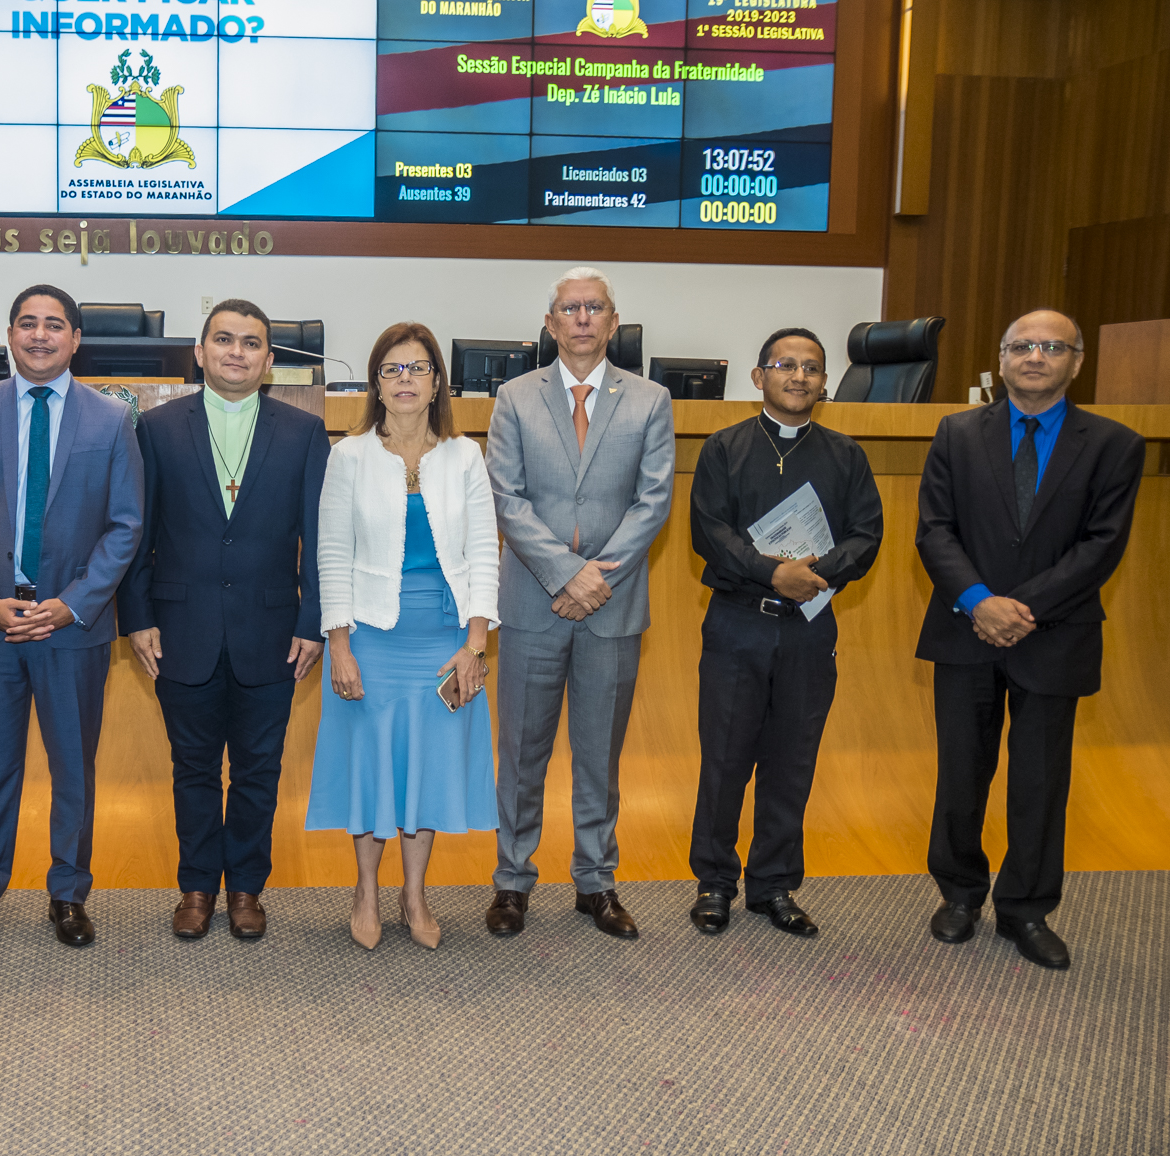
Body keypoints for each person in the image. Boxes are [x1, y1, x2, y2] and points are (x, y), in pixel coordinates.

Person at [917, 309, 1144, 971]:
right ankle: (960, 893)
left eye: (1052, 347)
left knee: (1040, 781)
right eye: (1022, 346)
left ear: (1076, 362)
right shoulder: (956, 433)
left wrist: (1023, 609)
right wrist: (979, 602)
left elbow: (1102, 547)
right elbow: (935, 531)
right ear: (1002, 356)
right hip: (965, 629)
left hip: (1056, 636)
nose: (1035, 356)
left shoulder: (1113, 444)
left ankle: (1025, 908)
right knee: (961, 773)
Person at [0, 284, 144, 950]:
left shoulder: (110, 418)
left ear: (75, 339)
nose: (40, 336)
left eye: (54, 326)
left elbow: (127, 525)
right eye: (27, 324)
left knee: (74, 768)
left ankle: (68, 894)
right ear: (9, 335)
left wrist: (72, 604)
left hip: (72, 627)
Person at [117, 299, 329, 941]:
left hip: (273, 630)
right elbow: (137, 532)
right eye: (224, 340)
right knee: (194, 768)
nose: (237, 352)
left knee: (260, 770)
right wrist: (137, 617)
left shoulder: (303, 432)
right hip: (181, 630)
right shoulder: (155, 428)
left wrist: (312, 620)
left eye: (252, 343)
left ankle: (245, 889)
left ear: (269, 359)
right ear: (200, 353)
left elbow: (319, 539)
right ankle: (196, 886)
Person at [483, 266, 674, 940]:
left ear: (613, 323)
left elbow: (654, 502)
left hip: (612, 611)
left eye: (596, 307)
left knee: (600, 755)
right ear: (551, 322)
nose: (583, 318)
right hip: (535, 603)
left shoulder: (650, 400)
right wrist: (567, 575)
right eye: (571, 308)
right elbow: (508, 498)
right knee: (522, 753)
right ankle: (512, 880)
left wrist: (598, 579)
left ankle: (596, 881)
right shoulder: (513, 397)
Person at [307, 322, 500, 951]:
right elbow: (330, 554)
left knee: (428, 770)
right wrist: (338, 644)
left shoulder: (465, 455)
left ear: (438, 381)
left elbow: (483, 555)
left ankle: (414, 894)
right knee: (371, 770)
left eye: (418, 368)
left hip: (444, 638)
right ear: (376, 384)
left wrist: (476, 645)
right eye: (393, 369)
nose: (406, 380)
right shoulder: (350, 455)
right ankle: (365, 890)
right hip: (371, 638)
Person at [686, 329, 883, 938]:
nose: (799, 377)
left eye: (812, 368)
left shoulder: (845, 454)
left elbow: (867, 534)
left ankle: (773, 886)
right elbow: (708, 532)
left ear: (825, 382)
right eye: (785, 365)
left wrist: (811, 577)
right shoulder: (724, 448)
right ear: (758, 376)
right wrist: (773, 572)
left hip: (807, 630)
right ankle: (715, 882)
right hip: (737, 625)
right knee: (724, 762)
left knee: (791, 762)